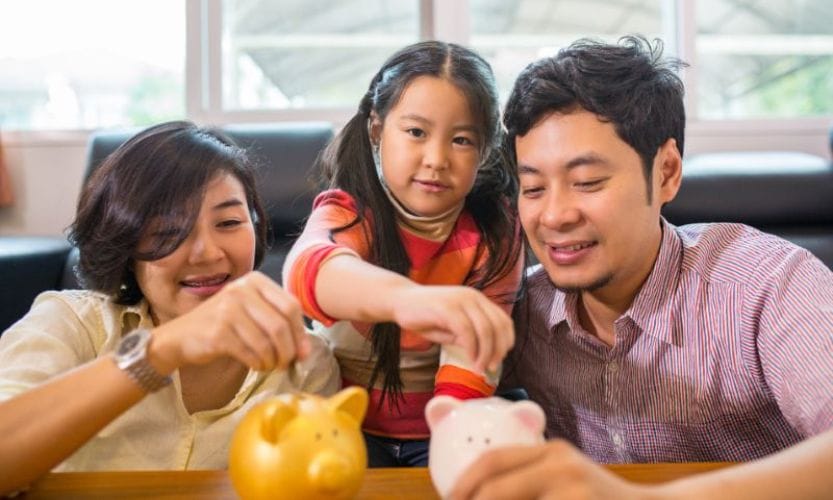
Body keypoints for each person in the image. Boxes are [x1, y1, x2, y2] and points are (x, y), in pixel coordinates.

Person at [451, 36, 833, 499]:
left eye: (587, 182)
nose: (553, 216)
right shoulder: (524, 308)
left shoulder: (766, 284)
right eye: (533, 189)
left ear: (667, 172)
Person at [0, 121, 339, 495]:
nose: (208, 252)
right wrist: (161, 350)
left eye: (228, 222)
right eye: (167, 233)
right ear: (125, 244)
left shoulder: (305, 362)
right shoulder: (70, 323)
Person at [282, 41, 524, 467]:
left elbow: (470, 364)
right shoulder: (348, 212)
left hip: (447, 424)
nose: (436, 159)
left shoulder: (495, 231)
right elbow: (307, 274)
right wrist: (411, 300)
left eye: (462, 140)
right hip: (341, 424)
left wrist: (451, 445)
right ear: (377, 129)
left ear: (485, 150)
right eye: (416, 132)